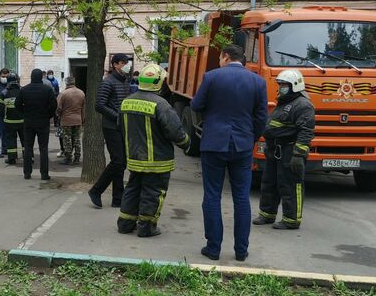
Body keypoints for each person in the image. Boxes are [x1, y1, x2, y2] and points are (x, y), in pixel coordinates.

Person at [191, 44, 268, 262]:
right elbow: (262, 118)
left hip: (213, 143)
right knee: (242, 197)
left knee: (212, 195)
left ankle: (213, 248)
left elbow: (196, 105)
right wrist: (249, 138)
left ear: (225, 57)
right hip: (242, 146)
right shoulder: (258, 82)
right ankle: (241, 251)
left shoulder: (211, 77)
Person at [116, 64, 191, 237]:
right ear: (158, 83)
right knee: (153, 193)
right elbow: (176, 132)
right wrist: (187, 144)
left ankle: (125, 224)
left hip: (134, 158)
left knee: (132, 189)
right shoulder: (161, 105)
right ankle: (146, 227)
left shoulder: (126, 102)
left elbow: (121, 127)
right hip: (158, 161)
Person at [253, 69, 315, 230]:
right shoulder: (285, 101)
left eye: (284, 85)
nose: (280, 87)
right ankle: (267, 214)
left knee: (290, 185)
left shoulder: (303, 105)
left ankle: (291, 219)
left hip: (290, 150)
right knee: (269, 182)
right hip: (275, 148)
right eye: (280, 84)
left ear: (294, 85)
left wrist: (299, 155)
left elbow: (306, 131)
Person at [88, 53, 131, 208]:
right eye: (122, 62)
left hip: (122, 126)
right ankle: (96, 190)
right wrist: (116, 116)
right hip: (111, 126)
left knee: (121, 163)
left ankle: (118, 198)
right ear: (115, 65)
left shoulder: (125, 81)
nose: (126, 64)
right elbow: (99, 105)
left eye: (127, 62)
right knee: (118, 160)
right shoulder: (108, 82)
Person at [15, 69, 57, 180]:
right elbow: (53, 105)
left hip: (28, 122)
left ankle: (27, 173)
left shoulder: (24, 90)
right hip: (43, 122)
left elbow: (17, 104)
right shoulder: (47, 90)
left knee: (28, 147)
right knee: (43, 148)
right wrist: (48, 115)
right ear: (41, 77)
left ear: (31, 77)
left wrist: (24, 113)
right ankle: (44, 174)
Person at [0, 73, 25, 165]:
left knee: (11, 141)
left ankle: (12, 159)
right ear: (18, 80)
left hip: (9, 122)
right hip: (22, 121)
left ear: (8, 81)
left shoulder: (4, 93)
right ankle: (28, 157)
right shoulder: (23, 91)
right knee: (25, 140)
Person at [56, 76, 85, 165]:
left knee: (67, 139)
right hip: (78, 119)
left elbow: (59, 108)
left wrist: (59, 116)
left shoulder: (63, 94)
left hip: (66, 120)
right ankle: (77, 158)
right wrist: (82, 119)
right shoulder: (81, 93)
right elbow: (83, 109)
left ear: (66, 83)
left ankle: (68, 158)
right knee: (77, 139)